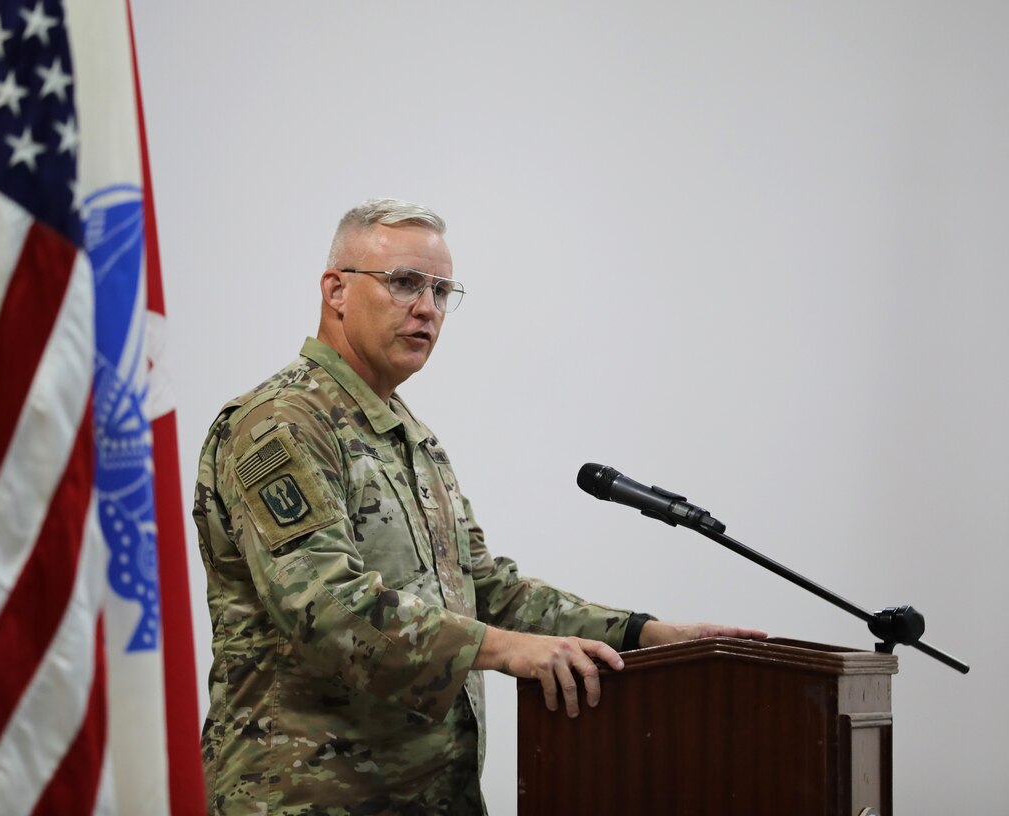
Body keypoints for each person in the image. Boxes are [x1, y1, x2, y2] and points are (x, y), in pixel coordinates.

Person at [192, 199, 766, 816]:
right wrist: (505, 649)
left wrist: (642, 634)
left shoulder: (407, 436)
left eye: (442, 291)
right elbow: (328, 609)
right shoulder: (279, 425)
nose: (426, 308)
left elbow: (486, 588)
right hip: (307, 797)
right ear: (336, 291)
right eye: (405, 283)